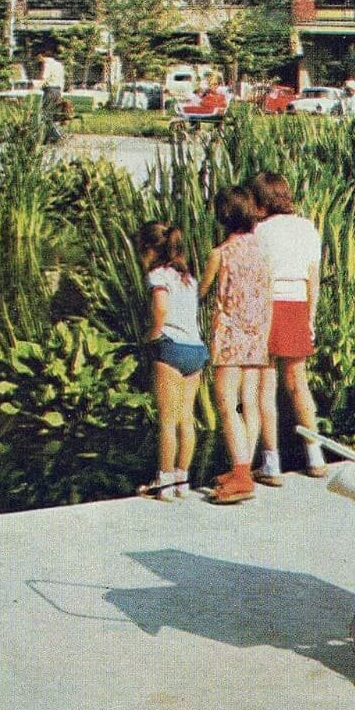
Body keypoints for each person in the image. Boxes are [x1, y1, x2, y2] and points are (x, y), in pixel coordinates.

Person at [249, 172, 329, 483]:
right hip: (298, 305)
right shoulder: (307, 228)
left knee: (266, 387)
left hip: (269, 305)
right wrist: (310, 317)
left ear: (260, 202)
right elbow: (313, 278)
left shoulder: (260, 231)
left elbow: (260, 276)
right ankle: (315, 456)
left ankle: (271, 463)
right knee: (299, 384)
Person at [199, 185, 272, 505]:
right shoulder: (262, 251)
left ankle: (241, 475)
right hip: (257, 336)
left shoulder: (220, 254)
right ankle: (243, 467)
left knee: (226, 403)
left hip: (230, 337)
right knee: (249, 402)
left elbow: (201, 291)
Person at [135, 222, 209, 501]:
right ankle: (182, 480)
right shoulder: (188, 278)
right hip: (196, 350)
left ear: (150, 249)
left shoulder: (157, 276)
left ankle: (163, 482)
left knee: (167, 420)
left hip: (171, 347)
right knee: (186, 419)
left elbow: (161, 309)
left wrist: (153, 334)